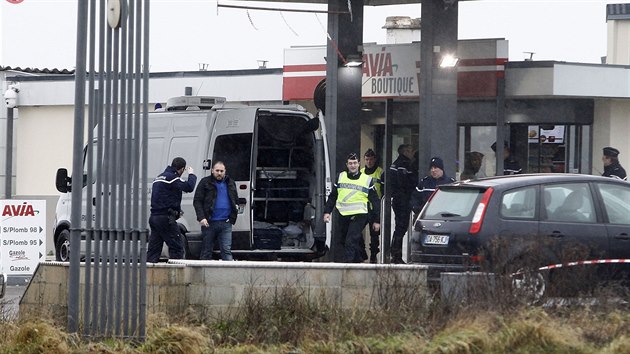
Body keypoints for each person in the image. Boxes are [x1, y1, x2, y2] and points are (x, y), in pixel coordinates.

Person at [324, 153, 381, 263]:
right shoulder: (341, 177)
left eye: (355, 163)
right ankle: (359, 259)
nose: (353, 165)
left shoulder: (367, 180)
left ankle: (348, 266)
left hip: (360, 215)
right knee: (343, 240)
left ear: (359, 164)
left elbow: (375, 202)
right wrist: (327, 212)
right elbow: (333, 196)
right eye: (350, 163)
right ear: (347, 164)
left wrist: (376, 220)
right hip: (343, 214)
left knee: (351, 240)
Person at [147, 157, 197, 263]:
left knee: (154, 250)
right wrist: (191, 174)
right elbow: (189, 187)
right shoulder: (173, 178)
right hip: (166, 218)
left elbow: (165, 196)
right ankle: (175, 276)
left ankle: (148, 274)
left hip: (154, 217)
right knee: (177, 247)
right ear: (182, 169)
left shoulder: (159, 177)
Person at [193, 161, 239, 260]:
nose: (219, 173)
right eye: (217, 170)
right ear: (212, 170)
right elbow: (197, 201)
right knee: (206, 251)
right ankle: (203, 274)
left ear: (225, 171)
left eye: (221, 171)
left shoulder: (230, 182)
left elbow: (235, 200)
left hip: (226, 223)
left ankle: (229, 274)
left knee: (226, 250)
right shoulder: (205, 182)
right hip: (209, 223)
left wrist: (232, 217)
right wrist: (201, 217)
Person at [388, 144, 416, 264]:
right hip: (402, 199)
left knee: (399, 227)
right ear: (404, 152)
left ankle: (394, 253)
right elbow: (407, 182)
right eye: (409, 151)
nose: (411, 153)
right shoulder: (403, 165)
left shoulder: (396, 163)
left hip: (398, 199)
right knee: (401, 227)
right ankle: (396, 255)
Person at [360, 149, 384, 263]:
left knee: (374, 234)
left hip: (375, 207)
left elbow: (384, 190)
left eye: (371, 159)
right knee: (356, 231)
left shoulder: (380, 172)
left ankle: (373, 256)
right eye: (367, 159)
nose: (369, 162)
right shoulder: (361, 172)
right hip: (363, 207)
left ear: (374, 160)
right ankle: (361, 253)